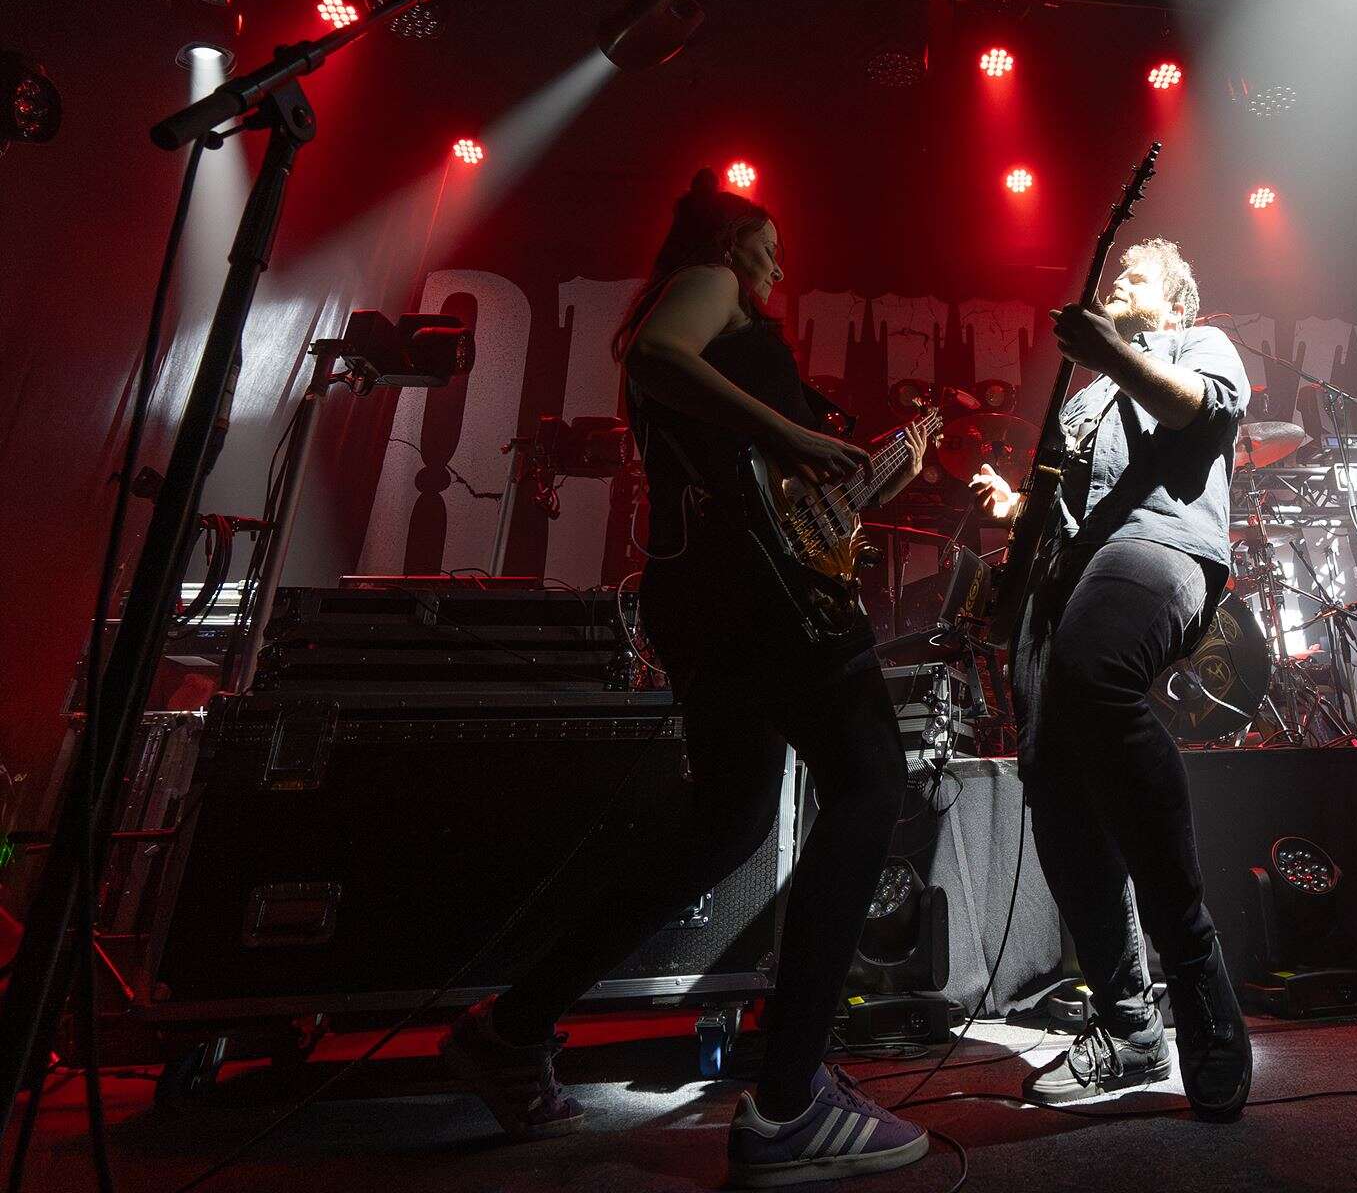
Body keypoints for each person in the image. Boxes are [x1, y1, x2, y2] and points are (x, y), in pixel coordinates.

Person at [439, 170, 931, 1187]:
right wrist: (791, 430)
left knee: (726, 825)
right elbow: (659, 356)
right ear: (730, 239)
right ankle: (790, 1100)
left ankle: (512, 1026)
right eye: (768, 245)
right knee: (870, 779)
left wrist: (863, 471)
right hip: (754, 593)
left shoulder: (729, 333)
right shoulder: (707, 283)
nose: (779, 265)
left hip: (716, 593)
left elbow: (758, 479)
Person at [970, 238, 1254, 1119]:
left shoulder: (1198, 344)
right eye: (1116, 271)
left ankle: (1193, 961)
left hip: (1163, 545)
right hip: (1070, 577)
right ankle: (1130, 1026)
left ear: (1174, 302)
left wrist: (1116, 354)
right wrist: (1018, 509)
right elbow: (1066, 509)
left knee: (1095, 674)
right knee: (1053, 780)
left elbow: (1197, 414)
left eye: (1136, 275)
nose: (1117, 280)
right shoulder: (1084, 398)